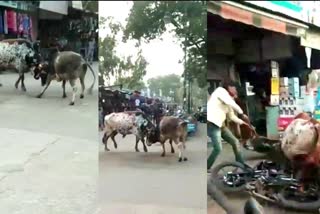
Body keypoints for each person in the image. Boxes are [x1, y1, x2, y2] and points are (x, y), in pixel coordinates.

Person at [207, 81, 253, 172]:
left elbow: (231, 116)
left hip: (221, 125)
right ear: (229, 87)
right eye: (235, 88)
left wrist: (243, 123)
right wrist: (242, 113)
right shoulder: (220, 91)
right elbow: (230, 102)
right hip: (212, 124)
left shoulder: (228, 101)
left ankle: (240, 163)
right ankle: (207, 166)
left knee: (235, 142)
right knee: (218, 148)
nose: (236, 91)